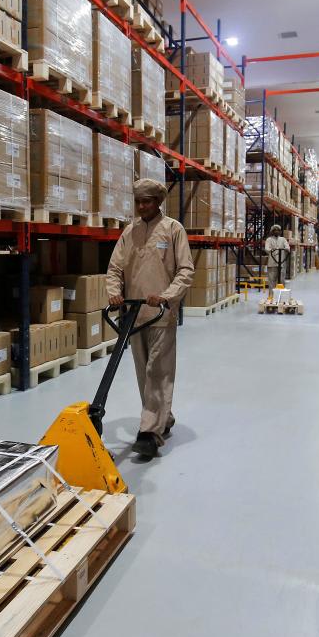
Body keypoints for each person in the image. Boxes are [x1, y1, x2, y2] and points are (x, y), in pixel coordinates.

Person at [105, 178, 195, 459]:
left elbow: (185, 271)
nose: (142, 206)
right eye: (139, 202)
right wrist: (114, 292)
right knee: (144, 373)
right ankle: (161, 419)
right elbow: (114, 268)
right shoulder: (129, 232)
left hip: (160, 314)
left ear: (158, 202)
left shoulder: (172, 229)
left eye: (148, 201)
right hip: (134, 315)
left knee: (158, 371)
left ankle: (148, 432)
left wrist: (167, 296)